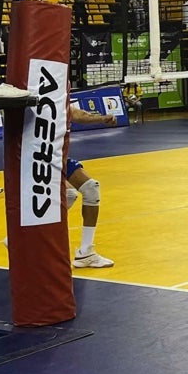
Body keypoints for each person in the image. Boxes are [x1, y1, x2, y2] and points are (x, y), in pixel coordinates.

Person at [65, 104, 118, 268]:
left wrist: (101, 118)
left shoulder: (59, 94)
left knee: (90, 188)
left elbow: (77, 114)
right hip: (38, 156)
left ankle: (86, 252)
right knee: (68, 195)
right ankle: (21, 237)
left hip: (58, 156)